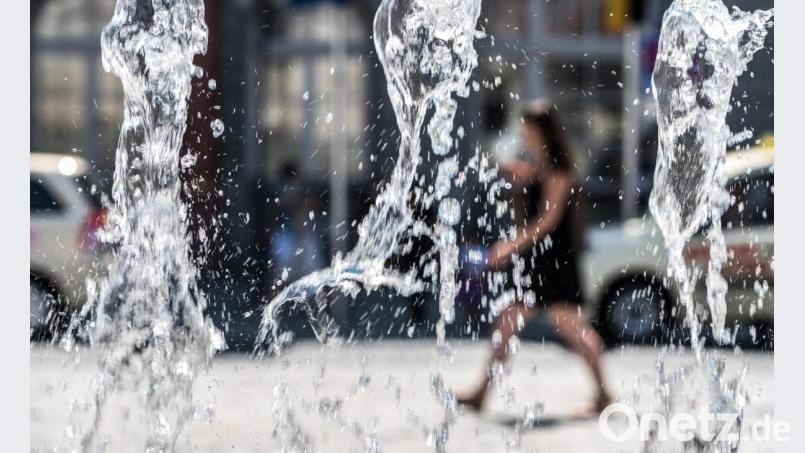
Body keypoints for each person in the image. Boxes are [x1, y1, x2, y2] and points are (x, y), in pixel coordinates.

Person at [457, 100, 612, 414]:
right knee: (517, 322)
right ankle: (482, 392)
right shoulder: (539, 167)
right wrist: (518, 174)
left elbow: (547, 221)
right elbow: (532, 187)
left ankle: (604, 395)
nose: (523, 134)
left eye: (527, 129)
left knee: (568, 326)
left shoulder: (559, 171)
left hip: (553, 262)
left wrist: (509, 246)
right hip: (539, 261)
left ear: (543, 132)